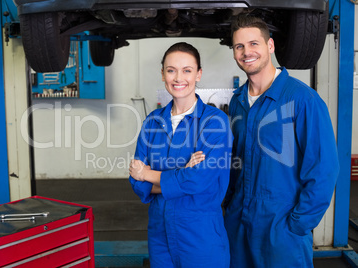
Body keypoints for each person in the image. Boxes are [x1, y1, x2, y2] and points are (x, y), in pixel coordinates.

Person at [223, 15, 339, 268]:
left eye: (254, 44)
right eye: (239, 46)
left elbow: (324, 169)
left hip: (281, 229)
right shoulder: (237, 101)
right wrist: (229, 203)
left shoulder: (303, 100)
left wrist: (298, 224)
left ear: (271, 46)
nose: (246, 52)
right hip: (238, 222)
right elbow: (236, 160)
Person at [129, 42, 233, 268]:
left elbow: (199, 180)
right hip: (159, 233)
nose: (178, 78)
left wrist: (149, 174)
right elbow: (136, 182)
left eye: (187, 70)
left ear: (198, 74)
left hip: (200, 234)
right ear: (163, 74)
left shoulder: (215, 123)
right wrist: (181, 173)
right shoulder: (152, 122)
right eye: (171, 70)